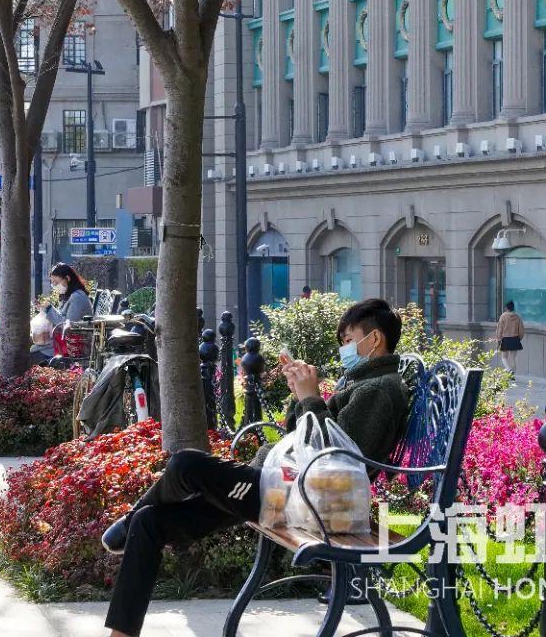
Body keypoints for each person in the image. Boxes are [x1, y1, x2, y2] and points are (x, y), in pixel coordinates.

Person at [99, 298, 411, 637]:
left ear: (375, 339)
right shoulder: (359, 383)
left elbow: (338, 464)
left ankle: (129, 518)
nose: (345, 349)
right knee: (150, 523)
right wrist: (299, 395)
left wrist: (310, 398)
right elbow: (304, 437)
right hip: (282, 487)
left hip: (295, 497)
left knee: (186, 463)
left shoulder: (380, 390)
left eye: (348, 340)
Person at [43, 262, 92, 326]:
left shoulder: (77, 297)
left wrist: (49, 309)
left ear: (67, 278)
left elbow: (68, 325)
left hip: (78, 335)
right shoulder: (67, 295)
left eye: (56, 282)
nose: (55, 286)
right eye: (53, 284)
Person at [494, 301, 524, 375]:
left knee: (504, 357)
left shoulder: (503, 316)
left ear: (506, 307)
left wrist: (498, 340)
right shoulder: (518, 316)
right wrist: (519, 338)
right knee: (513, 358)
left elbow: (499, 329)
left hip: (506, 339)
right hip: (515, 339)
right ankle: (512, 373)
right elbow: (521, 330)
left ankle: (509, 370)